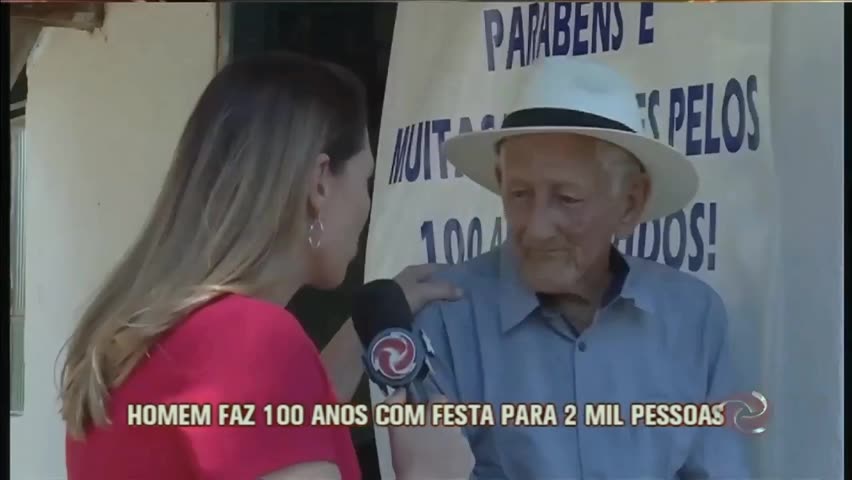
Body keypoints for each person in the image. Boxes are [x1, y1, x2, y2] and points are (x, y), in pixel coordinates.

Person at [61, 52, 472, 480]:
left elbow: (270, 432)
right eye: (365, 179)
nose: (368, 204)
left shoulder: (138, 338)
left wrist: (368, 326)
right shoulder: (254, 341)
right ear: (320, 182)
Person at [412, 58, 752, 478]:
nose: (537, 228)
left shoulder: (692, 317)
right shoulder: (447, 321)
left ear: (630, 202)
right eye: (519, 194)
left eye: (567, 199)